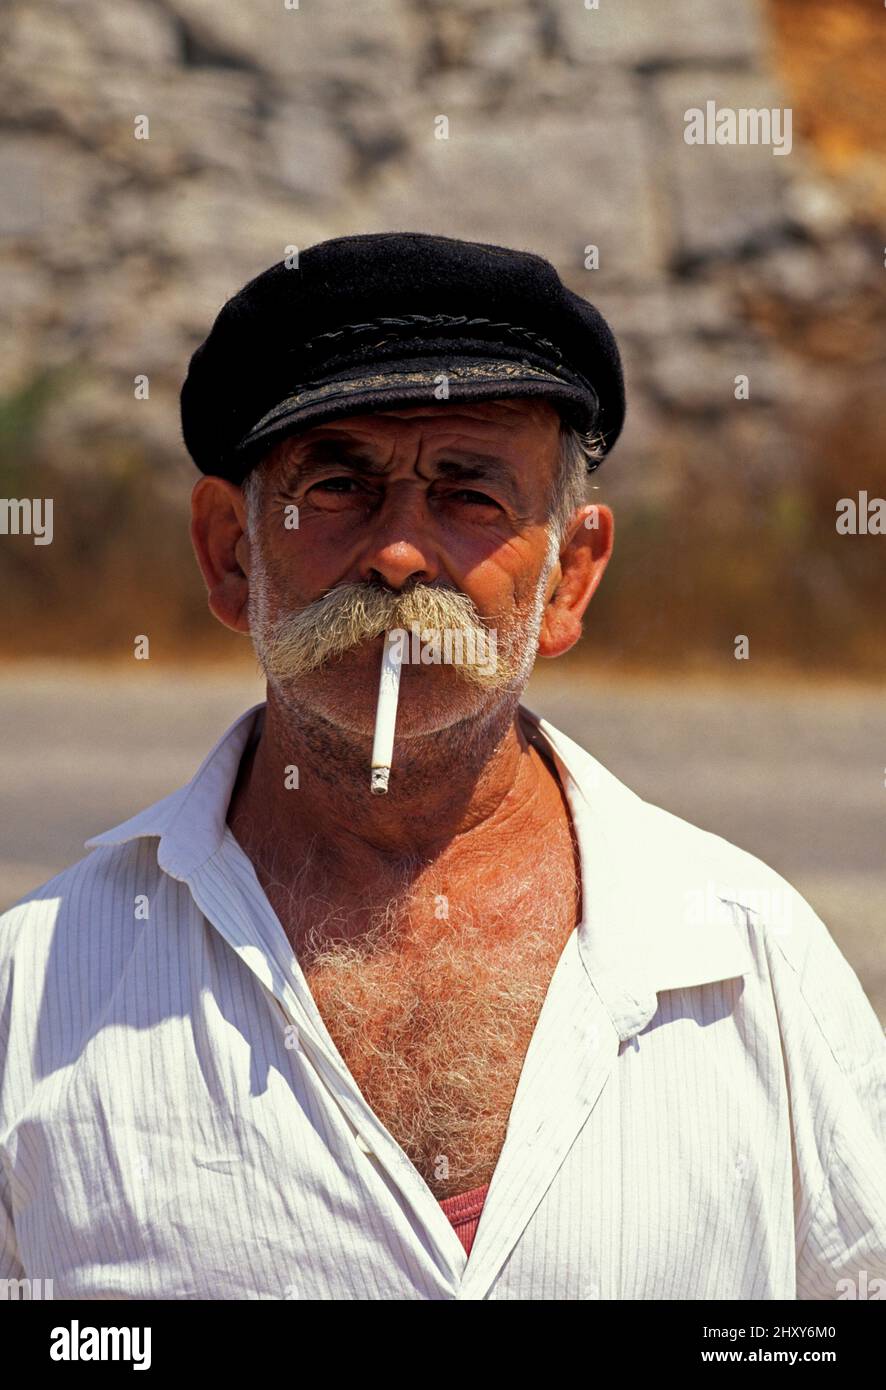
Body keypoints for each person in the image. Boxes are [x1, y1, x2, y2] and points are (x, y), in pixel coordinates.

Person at [1, 232, 883, 1301]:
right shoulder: (37, 991)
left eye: (469, 494)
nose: (400, 553)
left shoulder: (749, 962)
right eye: (338, 484)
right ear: (231, 551)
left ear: (568, 579)